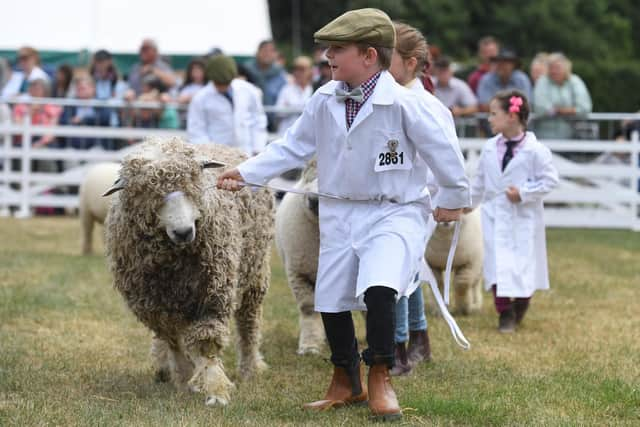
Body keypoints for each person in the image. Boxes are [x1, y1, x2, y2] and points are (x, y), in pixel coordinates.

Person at [216, 8, 470, 421]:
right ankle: (345, 379)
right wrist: (245, 173)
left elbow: (443, 151)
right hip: (339, 213)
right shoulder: (324, 98)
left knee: (380, 286)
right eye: (327, 49)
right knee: (330, 298)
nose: (327, 57)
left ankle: (381, 377)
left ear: (369, 56)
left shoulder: (405, 104)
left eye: (337, 49)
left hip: (393, 212)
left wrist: (454, 196)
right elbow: (292, 147)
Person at [466, 90, 558, 333]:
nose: (489, 119)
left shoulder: (536, 150)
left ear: (512, 117)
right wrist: (466, 205)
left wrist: (524, 193)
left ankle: (521, 304)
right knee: (496, 264)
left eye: (494, 113)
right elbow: (479, 183)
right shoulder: (488, 148)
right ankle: (504, 311)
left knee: (521, 265)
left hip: (522, 217)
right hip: (493, 214)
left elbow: (550, 181)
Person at [387, 21, 440, 376]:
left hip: (415, 199)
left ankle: (399, 349)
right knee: (409, 268)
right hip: (400, 197)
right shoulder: (394, 94)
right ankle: (420, 337)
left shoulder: (421, 102)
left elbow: (439, 159)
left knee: (396, 275)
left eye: (386, 57)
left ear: (410, 62)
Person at [187, 55, 267, 156]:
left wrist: (258, 148)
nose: (222, 87)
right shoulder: (200, 98)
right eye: (218, 83)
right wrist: (208, 156)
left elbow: (258, 119)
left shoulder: (249, 90)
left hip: (247, 154)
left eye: (226, 83)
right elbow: (196, 131)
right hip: (217, 158)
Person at [532, 52, 592, 139]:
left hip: (571, 137)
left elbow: (585, 108)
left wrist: (557, 111)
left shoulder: (575, 81)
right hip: (545, 137)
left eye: (558, 67)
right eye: (551, 67)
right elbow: (540, 108)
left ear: (566, 67)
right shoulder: (542, 81)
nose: (554, 71)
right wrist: (571, 111)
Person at [275, 56, 313, 135]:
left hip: (308, 135)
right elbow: (278, 112)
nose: (298, 73)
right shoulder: (286, 89)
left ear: (309, 71)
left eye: (302, 70)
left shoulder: (314, 89)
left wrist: (291, 107)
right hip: (287, 133)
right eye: (296, 69)